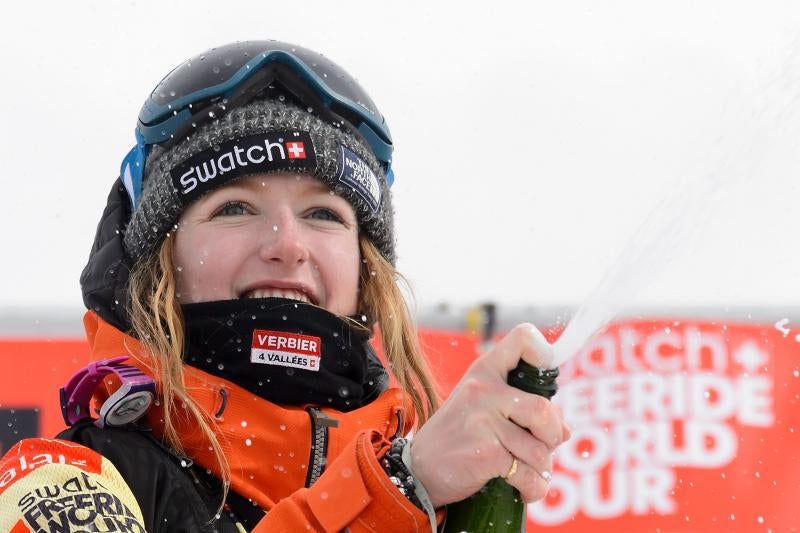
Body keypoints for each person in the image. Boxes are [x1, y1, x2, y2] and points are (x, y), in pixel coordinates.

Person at [0, 40, 569, 532]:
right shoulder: (61, 484)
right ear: (159, 265)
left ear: (366, 276)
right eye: (236, 207)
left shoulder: (446, 502)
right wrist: (392, 491)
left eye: (323, 214)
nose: (286, 243)